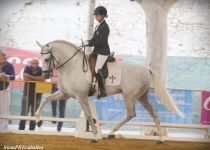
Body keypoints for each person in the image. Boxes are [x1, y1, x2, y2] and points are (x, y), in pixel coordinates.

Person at [85, 6, 110, 98]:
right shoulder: (98, 25)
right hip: (96, 51)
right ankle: (91, 85)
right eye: (95, 15)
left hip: (103, 52)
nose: (95, 17)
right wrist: (87, 42)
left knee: (97, 69)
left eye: (97, 15)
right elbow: (94, 39)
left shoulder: (105, 27)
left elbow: (101, 42)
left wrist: (90, 44)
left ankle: (102, 91)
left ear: (102, 15)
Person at [19, 58, 45, 130]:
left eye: (36, 63)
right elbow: (25, 78)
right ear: (31, 63)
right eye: (34, 63)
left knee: (34, 113)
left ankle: (32, 129)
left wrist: (30, 77)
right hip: (26, 93)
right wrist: (37, 78)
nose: (35, 65)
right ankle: (21, 128)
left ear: (38, 63)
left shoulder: (41, 69)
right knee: (24, 112)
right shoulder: (27, 68)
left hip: (38, 95)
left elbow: (43, 79)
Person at [0, 50, 15, 131]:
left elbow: (13, 76)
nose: (5, 57)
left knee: (5, 110)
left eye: (6, 55)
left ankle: (3, 129)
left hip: (5, 90)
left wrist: (6, 76)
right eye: (3, 55)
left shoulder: (10, 65)